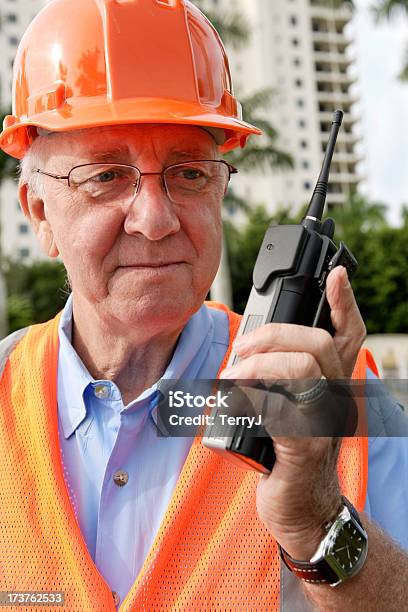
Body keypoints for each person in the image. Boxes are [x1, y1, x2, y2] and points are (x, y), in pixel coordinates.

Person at [0, 1, 407, 610]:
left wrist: (317, 519)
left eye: (189, 173)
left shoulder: (342, 394)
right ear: (39, 215)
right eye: (107, 176)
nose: (157, 219)